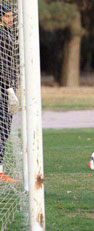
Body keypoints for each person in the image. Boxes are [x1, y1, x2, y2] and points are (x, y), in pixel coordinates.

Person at [0, 2, 19, 182]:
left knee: (4, 129)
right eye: (7, 16)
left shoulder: (7, 33)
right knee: (2, 129)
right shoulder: (2, 36)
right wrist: (8, 88)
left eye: (11, 15)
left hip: (5, 87)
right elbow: (3, 64)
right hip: (2, 89)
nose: (10, 19)